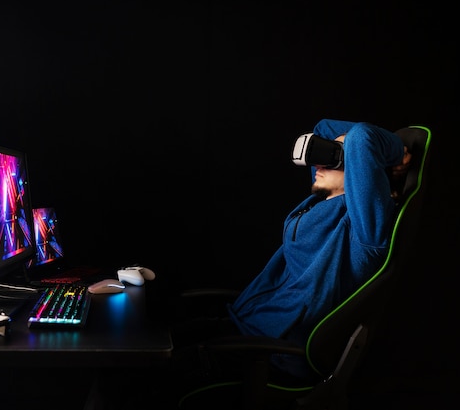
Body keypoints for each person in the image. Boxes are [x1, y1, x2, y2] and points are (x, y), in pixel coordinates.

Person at [169, 119, 412, 386]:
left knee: (154, 369)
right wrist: (332, 147)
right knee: (160, 335)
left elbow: (362, 138)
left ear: (363, 168)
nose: (321, 161)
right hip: (247, 326)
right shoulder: (321, 202)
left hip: (272, 354)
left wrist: (395, 150)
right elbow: (322, 128)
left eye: (340, 156)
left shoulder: (363, 230)